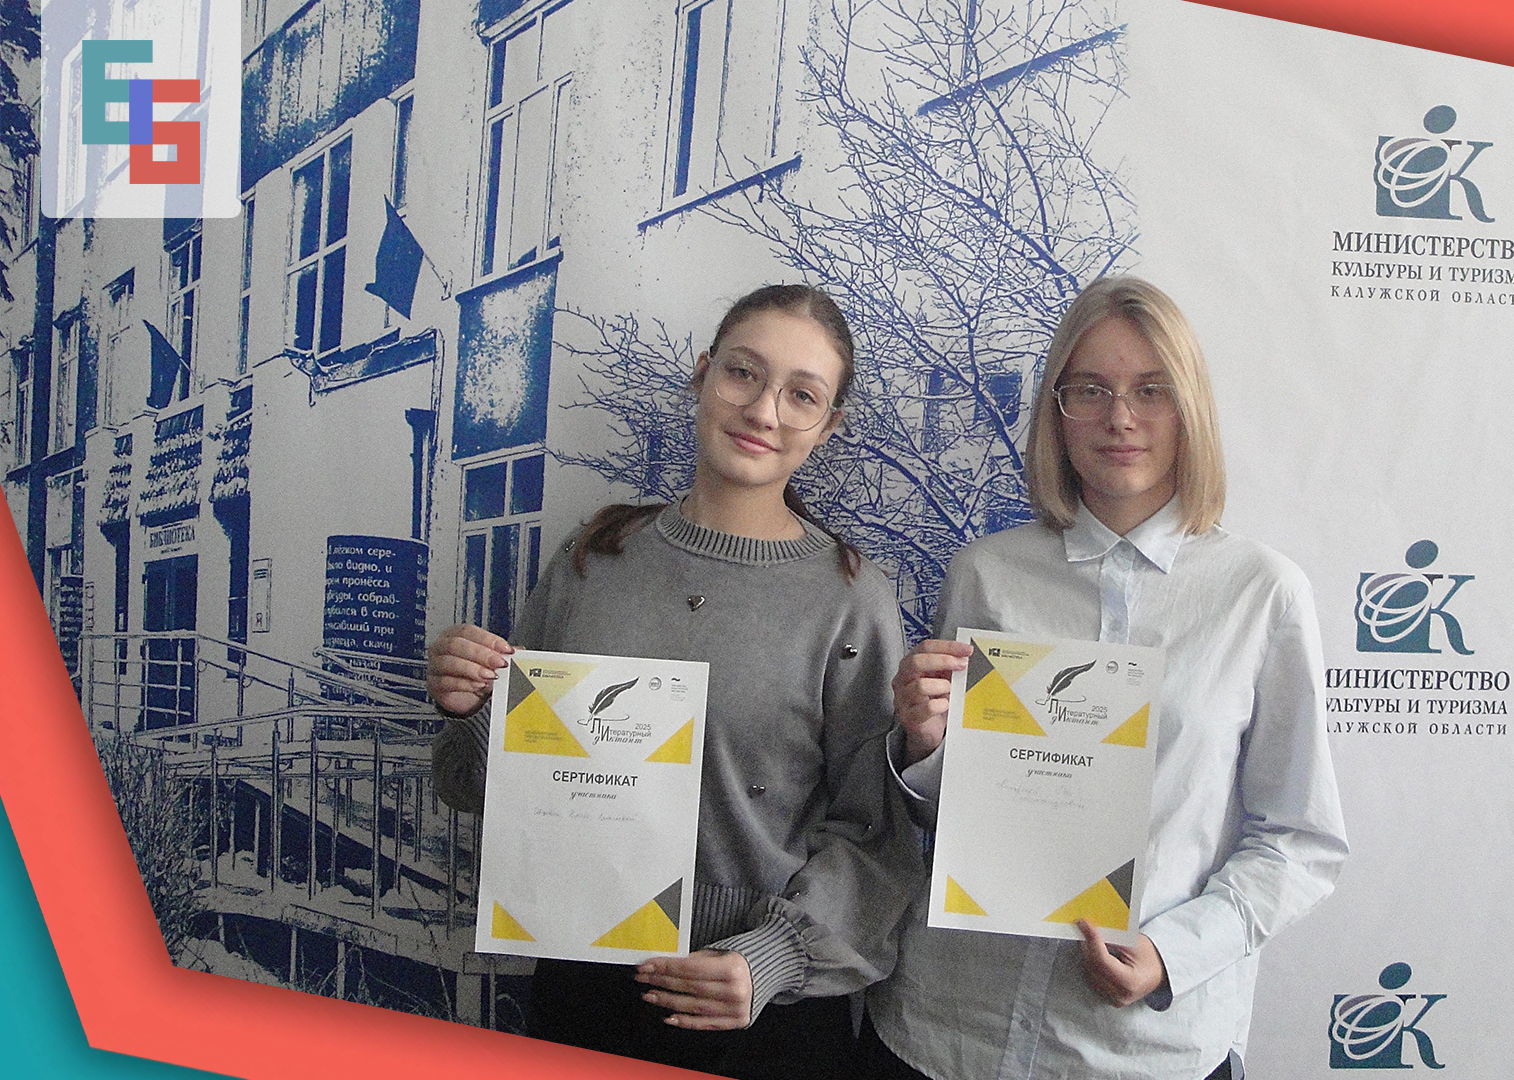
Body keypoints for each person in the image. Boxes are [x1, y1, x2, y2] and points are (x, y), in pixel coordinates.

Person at [862, 276, 1349, 1080]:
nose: (1120, 418)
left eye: (1152, 390)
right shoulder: (986, 574)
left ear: (1190, 408)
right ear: (1057, 411)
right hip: (947, 1029)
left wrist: (1174, 953)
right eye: (1089, 390)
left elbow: (1300, 840)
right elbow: (950, 814)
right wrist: (922, 744)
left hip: (1139, 1051)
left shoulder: (1261, 594)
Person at [428, 284, 920, 1080]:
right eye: (743, 373)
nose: (763, 410)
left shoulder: (851, 599)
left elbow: (876, 835)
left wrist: (772, 958)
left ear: (828, 427)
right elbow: (485, 789)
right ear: (702, 375)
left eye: (802, 395)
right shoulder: (595, 559)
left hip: (760, 1012)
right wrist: (474, 707)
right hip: (581, 984)